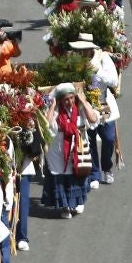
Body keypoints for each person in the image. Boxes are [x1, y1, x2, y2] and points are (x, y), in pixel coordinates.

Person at [68, 33, 120, 187]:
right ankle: (95, 173)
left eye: (84, 50)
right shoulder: (73, 60)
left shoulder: (103, 59)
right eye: (79, 50)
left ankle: (107, 167)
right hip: (84, 105)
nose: (81, 53)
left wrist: (97, 71)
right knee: (89, 139)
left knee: (109, 138)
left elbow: (114, 81)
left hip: (103, 104)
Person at [42, 83, 99, 219]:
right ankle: (65, 206)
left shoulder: (80, 109)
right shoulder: (56, 112)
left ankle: (78, 202)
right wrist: (53, 105)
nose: (69, 102)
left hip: (77, 148)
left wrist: (84, 101)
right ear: (61, 100)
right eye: (66, 99)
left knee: (77, 175)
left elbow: (93, 119)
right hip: (59, 151)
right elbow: (46, 124)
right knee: (61, 178)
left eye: (72, 98)